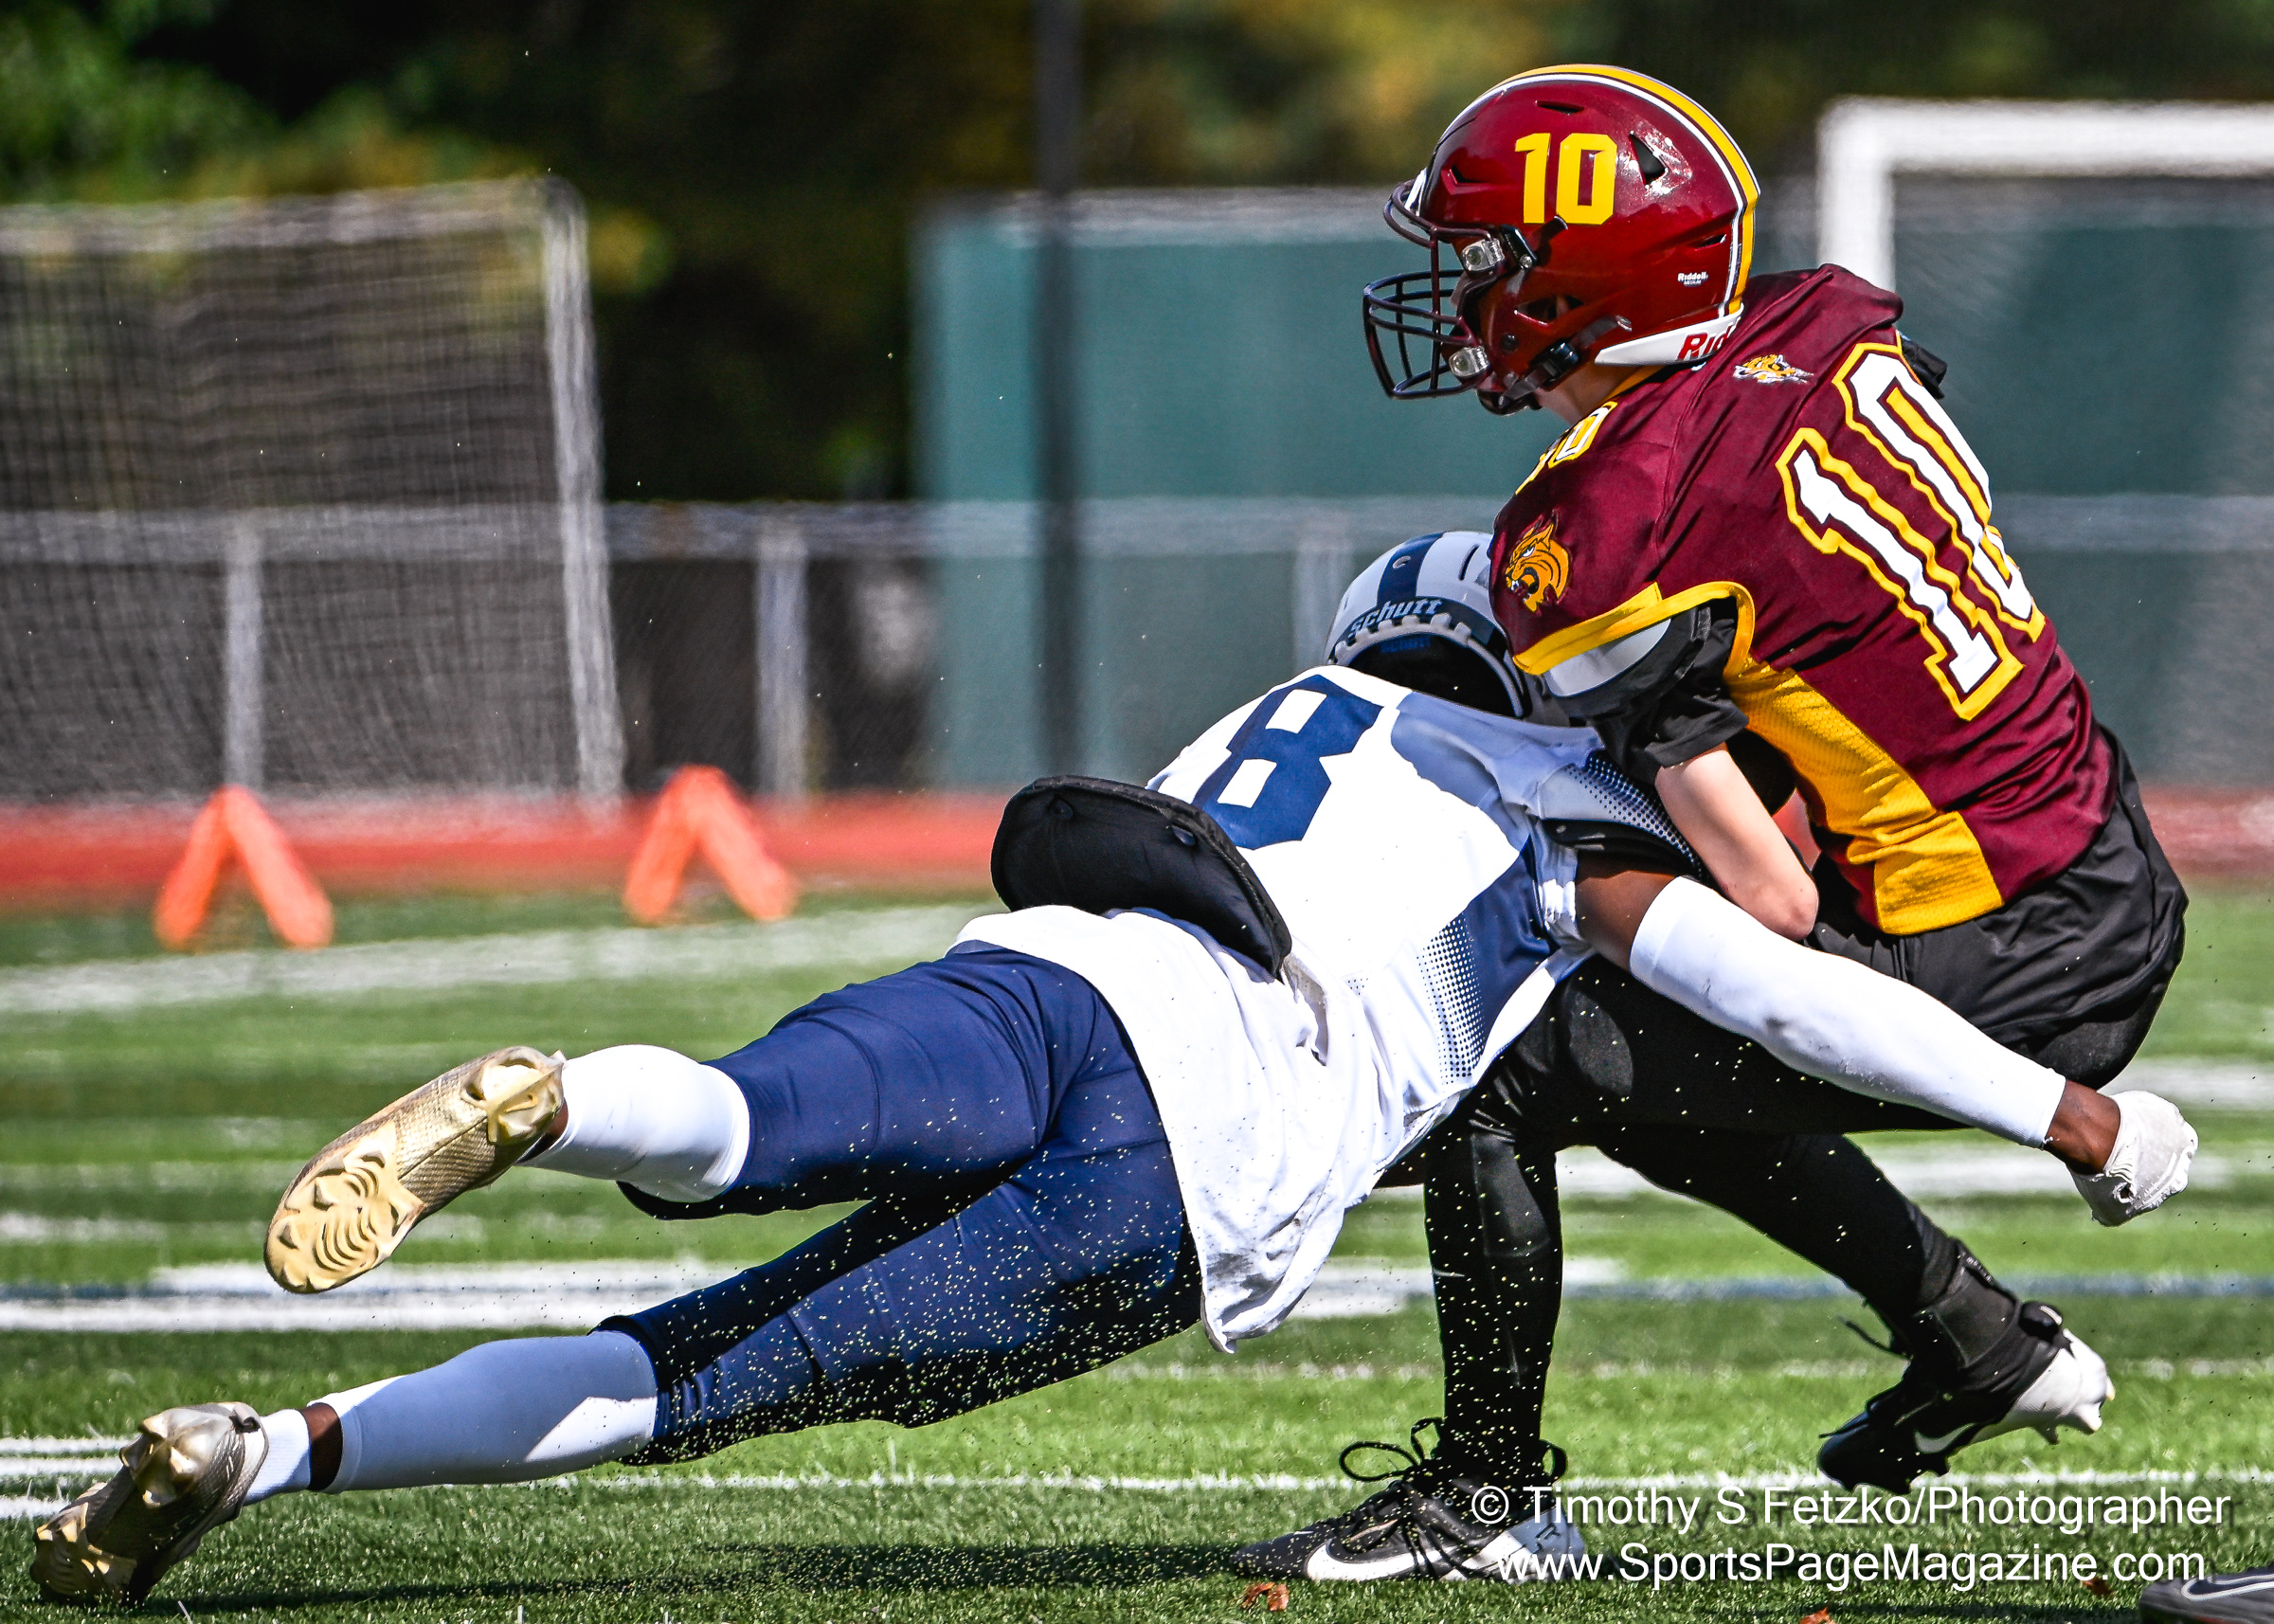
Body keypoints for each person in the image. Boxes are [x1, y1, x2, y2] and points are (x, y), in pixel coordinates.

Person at [27, 542, 2187, 1606]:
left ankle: (570, 1099)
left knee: (740, 1119)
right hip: (1192, 1145)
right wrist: (2068, 1112)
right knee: (690, 1369)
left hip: (1052, 971)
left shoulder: (1295, 706)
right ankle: (270, 1450)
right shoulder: (1571, 812)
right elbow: (1797, 1004)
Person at [1245, 65, 2193, 1578]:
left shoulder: (1603, 529)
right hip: (2089, 840)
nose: (1464, 296)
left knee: (1514, 1060)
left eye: (1487, 262)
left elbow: (1769, 904)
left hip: (1996, 927)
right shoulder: (1816, 325)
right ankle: (1975, 1340)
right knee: (1657, 1068)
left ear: (1582, 279)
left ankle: (1488, 1496)